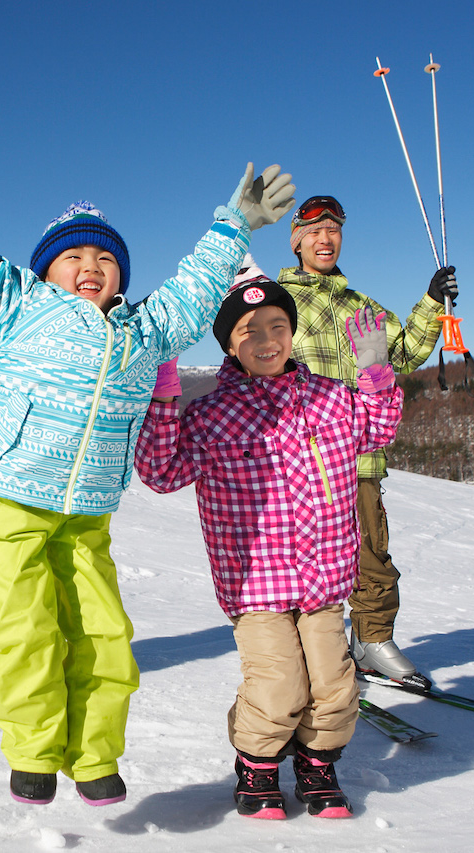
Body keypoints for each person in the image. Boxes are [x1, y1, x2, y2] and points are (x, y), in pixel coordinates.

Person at [0, 117, 295, 806]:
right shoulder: (16, 305)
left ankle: (95, 753)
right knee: (26, 627)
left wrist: (235, 224)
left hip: (87, 514)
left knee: (103, 634)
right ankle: (35, 750)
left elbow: (196, 287)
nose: (90, 267)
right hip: (12, 497)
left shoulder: (146, 330)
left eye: (105, 259)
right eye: (73, 257)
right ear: (46, 268)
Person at [135, 274, 404, 820]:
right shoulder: (211, 415)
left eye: (277, 325)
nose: (266, 338)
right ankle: (256, 766)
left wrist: (377, 377)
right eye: (248, 329)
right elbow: (160, 472)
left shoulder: (331, 399)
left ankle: (317, 764)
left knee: (333, 684)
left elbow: (375, 432)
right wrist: (163, 397)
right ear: (229, 346)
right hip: (254, 583)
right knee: (280, 683)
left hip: (325, 576)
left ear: (292, 334)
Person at [271, 195, 457, 687]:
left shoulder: (362, 308)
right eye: (313, 232)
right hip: (300, 462)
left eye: (332, 231)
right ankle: (301, 656)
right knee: (298, 563)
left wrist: (432, 303)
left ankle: (371, 641)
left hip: (359, 457)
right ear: (296, 241)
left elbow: (405, 354)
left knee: (371, 555)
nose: (324, 239)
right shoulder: (277, 301)